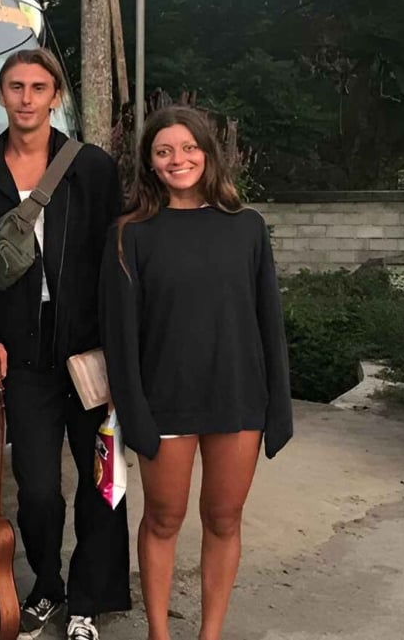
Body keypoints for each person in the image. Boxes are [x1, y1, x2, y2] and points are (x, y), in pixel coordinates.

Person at [100, 105, 293, 640]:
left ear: (208, 154)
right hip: (165, 401)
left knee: (224, 519)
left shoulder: (247, 228)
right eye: (164, 151)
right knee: (163, 519)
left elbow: (268, 322)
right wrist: (133, 409)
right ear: (150, 164)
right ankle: (158, 633)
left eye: (188, 148)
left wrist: (279, 407)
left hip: (237, 398)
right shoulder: (129, 235)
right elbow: (120, 337)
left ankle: (210, 633)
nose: (177, 159)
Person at [0, 49, 129, 640]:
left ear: (56, 95)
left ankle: (88, 597)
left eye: (39, 87)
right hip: (21, 354)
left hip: (89, 353)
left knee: (100, 482)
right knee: (36, 487)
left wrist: (120, 352)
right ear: (3, 95)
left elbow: (118, 263)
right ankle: (47, 586)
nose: (28, 97)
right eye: (16, 86)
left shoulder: (92, 168)